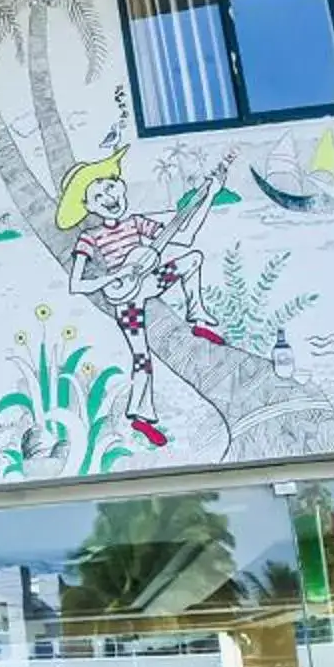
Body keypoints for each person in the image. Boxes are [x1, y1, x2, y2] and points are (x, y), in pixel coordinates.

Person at [58, 151, 224, 448]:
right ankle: (140, 416)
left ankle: (197, 316)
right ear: (88, 207)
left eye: (110, 186)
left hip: (147, 282)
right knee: (141, 357)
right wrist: (113, 276)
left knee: (192, 259)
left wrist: (209, 195)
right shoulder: (90, 238)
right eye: (97, 195)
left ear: (120, 184)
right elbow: (76, 283)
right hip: (124, 297)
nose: (108, 196)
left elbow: (183, 236)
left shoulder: (136, 223)